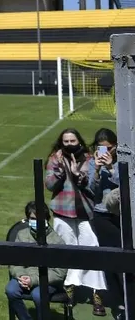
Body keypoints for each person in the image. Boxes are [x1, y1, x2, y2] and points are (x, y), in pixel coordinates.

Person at [44, 128, 106, 308]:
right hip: (62, 211)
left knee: (92, 249)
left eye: (73, 141)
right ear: (61, 143)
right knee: (67, 249)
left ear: (79, 141)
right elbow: (49, 185)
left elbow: (94, 187)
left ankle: (96, 291)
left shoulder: (89, 158)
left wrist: (78, 175)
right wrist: (60, 170)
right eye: (66, 141)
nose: (70, 144)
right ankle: (69, 287)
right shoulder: (55, 159)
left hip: (85, 211)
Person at [6, 201, 67, 320]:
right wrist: (21, 275)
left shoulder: (57, 241)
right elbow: (14, 261)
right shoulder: (21, 235)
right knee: (11, 290)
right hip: (25, 275)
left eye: (40, 218)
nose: (36, 221)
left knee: (38, 295)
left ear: (46, 219)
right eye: (33, 219)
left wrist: (33, 280)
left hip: (47, 280)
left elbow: (59, 272)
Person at [86, 128, 122, 317]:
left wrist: (111, 168)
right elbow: (91, 189)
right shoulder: (93, 163)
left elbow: (125, 183)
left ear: (115, 146)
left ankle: (126, 298)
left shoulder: (122, 160)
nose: (105, 152)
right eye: (101, 148)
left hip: (121, 214)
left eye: (109, 148)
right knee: (111, 259)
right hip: (102, 215)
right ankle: (119, 303)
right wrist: (98, 170)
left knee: (124, 257)